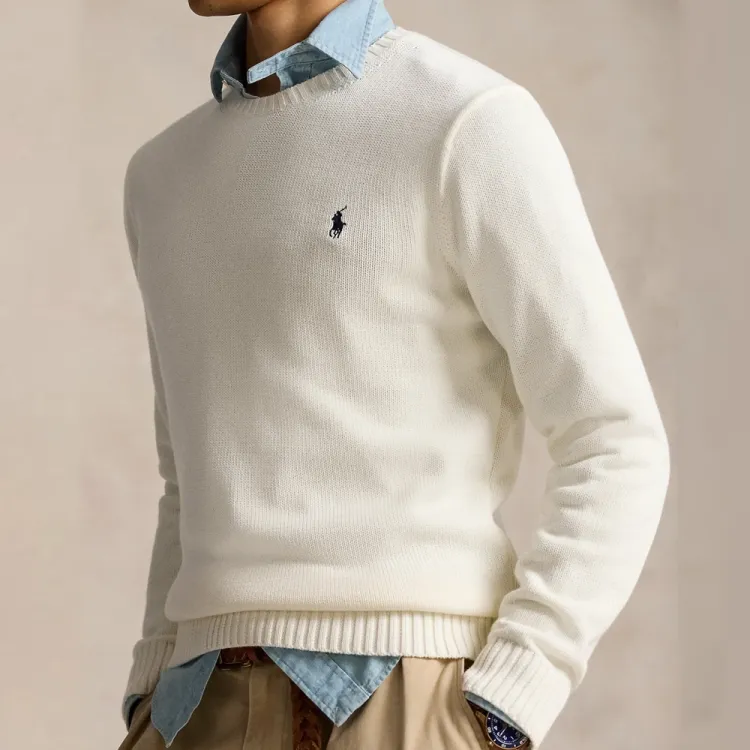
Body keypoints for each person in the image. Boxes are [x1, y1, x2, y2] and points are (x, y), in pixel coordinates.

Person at [117, 1, 671, 748]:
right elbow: (187, 476)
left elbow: (614, 437)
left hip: (404, 691)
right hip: (195, 699)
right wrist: (150, 684)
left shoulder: (465, 122)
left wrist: (512, 700)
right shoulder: (161, 177)